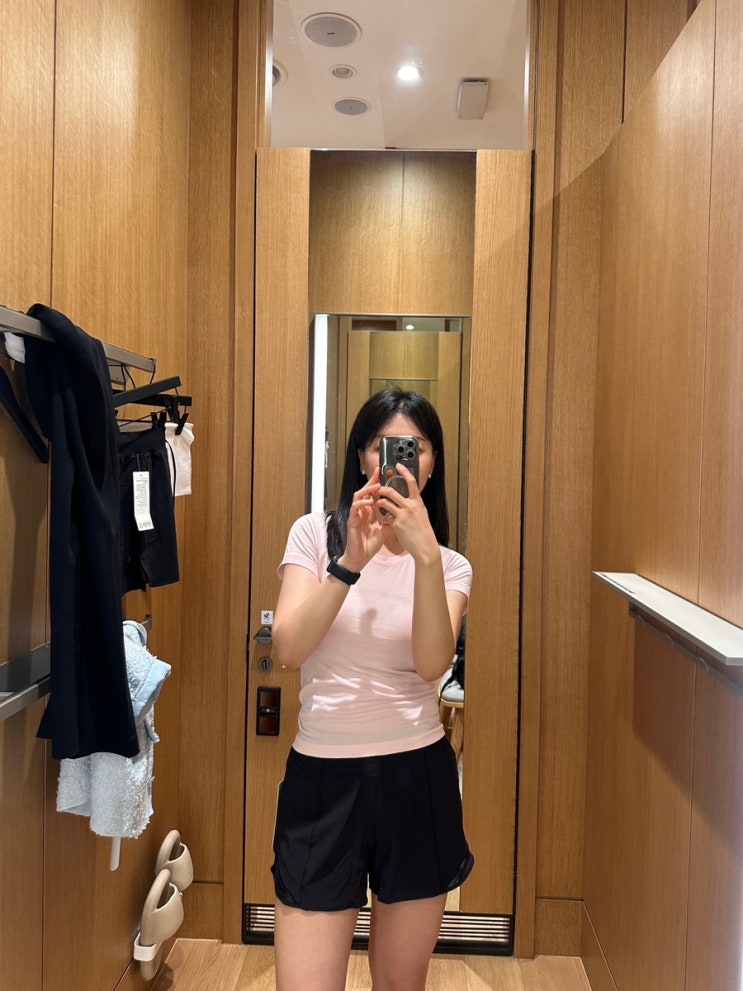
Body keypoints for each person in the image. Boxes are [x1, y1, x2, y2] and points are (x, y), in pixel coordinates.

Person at [270, 386, 474, 991]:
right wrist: (351, 563)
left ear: (432, 463)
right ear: (363, 456)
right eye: (385, 445)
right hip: (322, 779)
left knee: (400, 985)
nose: (401, 459)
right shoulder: (314, 535)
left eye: (416, 446)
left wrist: (426, 559)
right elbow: (288, 649)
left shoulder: (450, 564)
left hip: (418, 778)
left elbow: (431, 664)